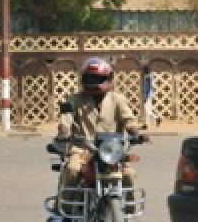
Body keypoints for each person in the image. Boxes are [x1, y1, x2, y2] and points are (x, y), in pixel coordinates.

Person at [54, 58, 147, 213]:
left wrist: (136, 133)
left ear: (109, 79)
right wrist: (64, 133)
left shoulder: (118, 99)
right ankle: (63, 211)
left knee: (129, 174)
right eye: (90, 78)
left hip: (111, 151)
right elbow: (66, 119)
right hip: (83, 150)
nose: (93, 81)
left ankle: (129, 213)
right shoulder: (74, 99)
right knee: (72, 169)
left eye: (97, 78)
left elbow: (128, 119)